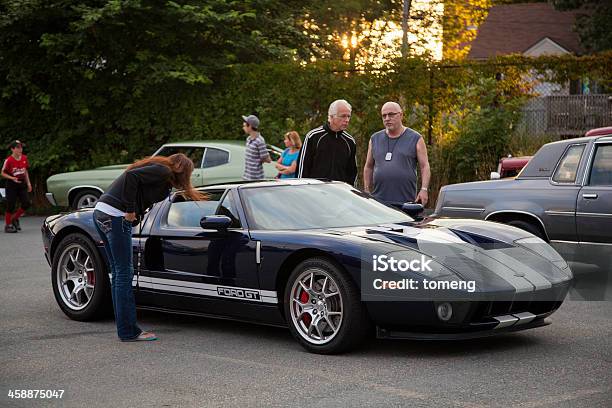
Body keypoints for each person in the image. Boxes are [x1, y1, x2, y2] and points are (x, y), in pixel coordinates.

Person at [93, 153, 206, 342]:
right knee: (123, 273)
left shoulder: (161, 174)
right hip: (116, 215)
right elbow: (131, 178)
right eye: (188, 171)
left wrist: (134, 213)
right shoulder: (163, 169)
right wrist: (129, 210)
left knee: (118, 273)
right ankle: (129, 331)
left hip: (102, 213)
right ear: (181, 166)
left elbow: (139, 190)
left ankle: (125, 328)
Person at [363, 101, 431, 206]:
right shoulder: (374, 139)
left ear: (401, 115)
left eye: (391, 114)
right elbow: (368, 167)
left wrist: (424, 189)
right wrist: (366, 190)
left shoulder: (415, 138)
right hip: (379, 202)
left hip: (406, 201)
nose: (387, 118)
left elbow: (424, 166)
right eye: (384, 116)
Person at [297, 99, 357, 185]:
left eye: (348, 116)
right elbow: (302, 168)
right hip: (314, 191)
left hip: (340, 193)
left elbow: (352, 172)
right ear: (331, 116)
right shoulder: (313, 136)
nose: (347, 120)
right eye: (343, 116)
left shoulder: (350, 141)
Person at [1, 140, 31, 233]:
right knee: (11, 205)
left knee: (26, 203)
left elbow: (25, 171)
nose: (20, 149)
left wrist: (29, 183)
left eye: (21, 147)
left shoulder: (24, 158)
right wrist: (12, 178)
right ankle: (8, 225)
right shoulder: (8, 160)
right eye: (18, 147)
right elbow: (2, 173)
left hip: (22, 184)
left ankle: (14, 219)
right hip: (11, 184)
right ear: (12, 149)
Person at [242, 114, 271, 180]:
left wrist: (262, 159)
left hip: (256, 179)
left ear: (250, 126)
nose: (243, 128)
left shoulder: (259, 141)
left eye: (244, 126)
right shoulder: (248, 139)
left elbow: (267, 159)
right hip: (247, 177)